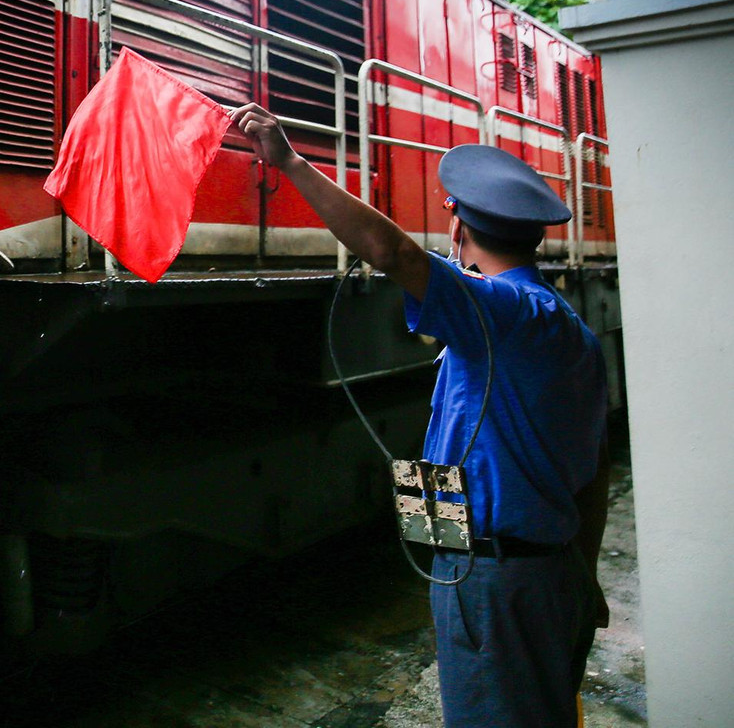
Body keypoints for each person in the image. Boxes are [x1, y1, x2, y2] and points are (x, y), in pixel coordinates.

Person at [229, 103, 609, 728]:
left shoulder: (500, 313)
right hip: (540, 565)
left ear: (457, 223)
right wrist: (585, 577)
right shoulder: (570, 330)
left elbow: (394, 252)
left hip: (489, 575)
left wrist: (291, 161)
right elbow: (592, 473)